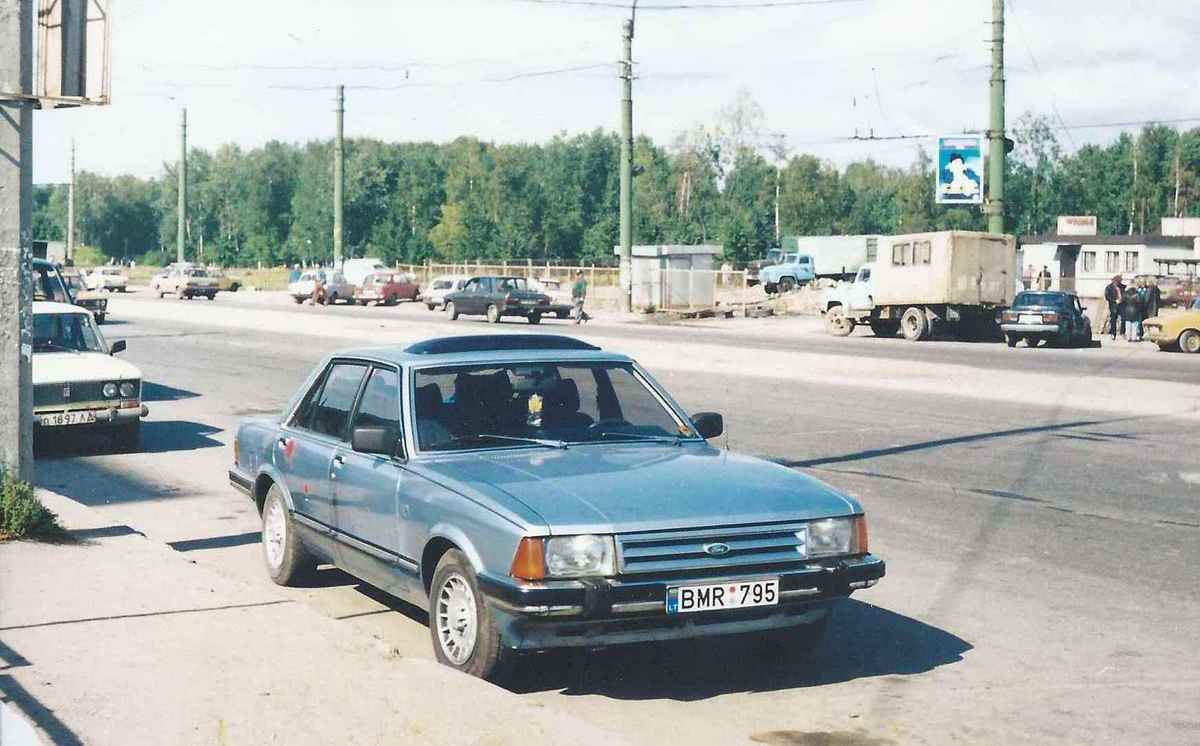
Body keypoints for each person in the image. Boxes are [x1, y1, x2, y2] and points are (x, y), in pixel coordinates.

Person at [1104, 275, 1124, 340]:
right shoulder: (1109, 287)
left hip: (1122, 305)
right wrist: (1115, 301)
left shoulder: (1122, 287)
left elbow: (1125, 295)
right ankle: (1113, 333)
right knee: (1113, 320)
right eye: (1116, 281)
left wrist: (1122, 300)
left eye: (1119, 281)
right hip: (1113, 306)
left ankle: (1122, 332)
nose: (1117, 283)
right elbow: (1107, 296)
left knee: (1123, 319)